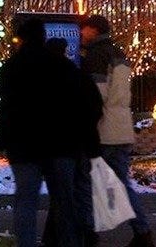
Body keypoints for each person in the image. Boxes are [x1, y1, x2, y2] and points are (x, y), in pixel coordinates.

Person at [0, 19, 91, 247]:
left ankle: (26, 243)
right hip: (61, 145)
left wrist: (1, 138)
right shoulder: (63, 66)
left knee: (26, 200)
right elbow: (79, 104)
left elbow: (2, 106)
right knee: (64, 202)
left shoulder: (12, 67)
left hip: (24, 146)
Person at [80, 15, 155, 247]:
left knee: (86, 182)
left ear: (94, 30)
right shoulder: (119, 53)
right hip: (122, 127)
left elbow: (97, 95)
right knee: (122, 184)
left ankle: (89, 232)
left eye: (84, 28)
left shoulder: (95, 56)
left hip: (104, 130)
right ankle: (142, 232)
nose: (81, 33)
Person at [41, 37, 103, 247]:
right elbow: (96, 107)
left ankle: (68, 240)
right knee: (82, 190)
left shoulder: (46, 79)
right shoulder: (79, 75)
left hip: (59, 146)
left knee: (62, 196)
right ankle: (88, 231)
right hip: (83, 144)